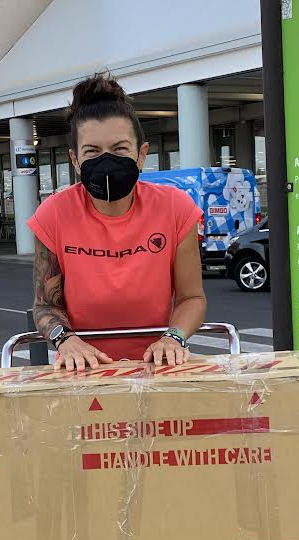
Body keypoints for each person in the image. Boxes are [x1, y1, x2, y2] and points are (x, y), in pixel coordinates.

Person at [28, 73, 207, 372]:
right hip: (82, 370)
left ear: (141, 155)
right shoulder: (53, 215)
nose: (106, 161)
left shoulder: (175, 208)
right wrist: (66, 340)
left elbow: (192, 297)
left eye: (120, 148)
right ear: (74, 160)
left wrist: (173, 338)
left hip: (159, 366)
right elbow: (46, 305)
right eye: (92, 152)